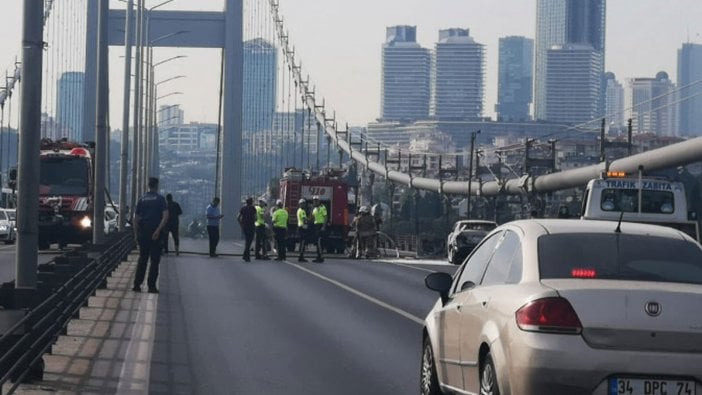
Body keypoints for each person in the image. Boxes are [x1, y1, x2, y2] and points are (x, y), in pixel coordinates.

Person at [133, 177, 169, 293]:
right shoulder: (160, 199)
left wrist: (136, 234)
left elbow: (136, 219)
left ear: (148, 185)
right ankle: (151, 286)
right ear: (157, 186)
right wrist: (158, 230)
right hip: (155, 233)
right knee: (154, 260)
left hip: (143, 232)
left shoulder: (142, 199)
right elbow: (165, 216)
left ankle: (137, 285)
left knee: (142, 259)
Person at [237, 197, 256, 262]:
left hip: (245, 227)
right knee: (249, 241)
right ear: (251, 202)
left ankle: (246, 256)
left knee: (247, 241)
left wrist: (241, 225)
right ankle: (246, 256)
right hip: (251, 226)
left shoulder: (243, 208)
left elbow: (238, 217)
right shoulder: (253, 208)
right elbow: (255, 217)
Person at [311, 196, 327, 263]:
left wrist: (323, 226)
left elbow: (325, 217)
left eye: (316, 201)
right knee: (317, 242)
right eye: (314, 201)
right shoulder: (314, 209)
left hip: (320, 225)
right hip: (316, 226)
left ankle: (321, 256)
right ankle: (318, 256)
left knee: (319, 242)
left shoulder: (322, 208)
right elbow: (312, 217)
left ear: (319, 201)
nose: (315, 202)